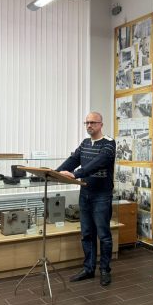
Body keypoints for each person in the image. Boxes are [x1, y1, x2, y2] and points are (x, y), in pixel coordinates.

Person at [57, 112, 116, 286]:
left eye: (93, 122)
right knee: (87, 234)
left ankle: (104, 270)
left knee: (103, 235)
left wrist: (76, 174)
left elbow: (97, 163)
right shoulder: (84, 143)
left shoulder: (109, 144)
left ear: (101, 124)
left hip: (102, 195)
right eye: (87, 122)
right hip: (85, 194)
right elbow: (73, 160)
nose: (89, 125)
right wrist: (55, 173)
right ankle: (89, 269)